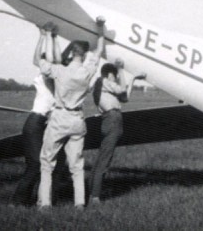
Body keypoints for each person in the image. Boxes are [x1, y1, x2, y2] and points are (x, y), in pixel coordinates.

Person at [37, 16, 107, 211]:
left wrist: (46, 36)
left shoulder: (59, 70)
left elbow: (40, 62)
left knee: (47, 162)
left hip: (60, 117)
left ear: (71, 54)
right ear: (83, 56)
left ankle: (45, 203)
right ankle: (79, 203)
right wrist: (100, 28)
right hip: (77, 119)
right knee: (76, 165)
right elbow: (100, 50)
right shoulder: (86, 71)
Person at [11, 25, 57, 205]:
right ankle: (17, 202)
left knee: (40, 165)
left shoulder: (49, 77)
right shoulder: (46, 77)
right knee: (36, 165)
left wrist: (45, 37)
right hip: (35, 124)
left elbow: (39, 58)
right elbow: (40, 59)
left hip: (42, 123)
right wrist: (47, 37)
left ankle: (31, 200)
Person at [89, 60, 134, 205]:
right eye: (115, 76)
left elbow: (125, 97)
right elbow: (121, 89)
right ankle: (95, 197)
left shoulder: (103, 86)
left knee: (102, 158)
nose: (116, 78)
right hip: (112, 119)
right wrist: (121, 69)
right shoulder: (103, 81)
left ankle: (92, 192)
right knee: (104, 160)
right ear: (110, 75)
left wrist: (133, 78)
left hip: (110, 120)